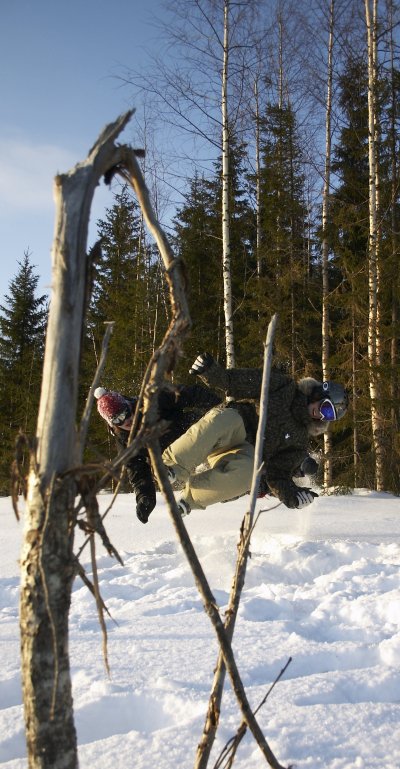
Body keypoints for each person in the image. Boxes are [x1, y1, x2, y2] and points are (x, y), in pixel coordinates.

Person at [162, 353, 348, 515]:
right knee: (225, 419)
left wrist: (293, 497)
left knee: (247, 475)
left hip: (244, 454)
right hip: (235, 427)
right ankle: (172, 466)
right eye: (325, 407)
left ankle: (189, 499)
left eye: (329, 415)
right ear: (317, 394)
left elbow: (277, 475)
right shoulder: (284, 387)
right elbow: (239, 382)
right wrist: (211, 371)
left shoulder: (299, 442)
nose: (321, 415)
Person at [95, 382, 221, 524]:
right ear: (111, 424)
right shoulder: (126, 442)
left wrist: (218, 407)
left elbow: (191, 392)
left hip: (198, 433)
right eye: (118, 420)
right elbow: (137, 471)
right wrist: (144, 497)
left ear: (128, 404)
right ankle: (214, 489)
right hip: (183, 461)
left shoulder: (152, 402)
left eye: (125, 412)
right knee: (202, 474)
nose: (126, 420)